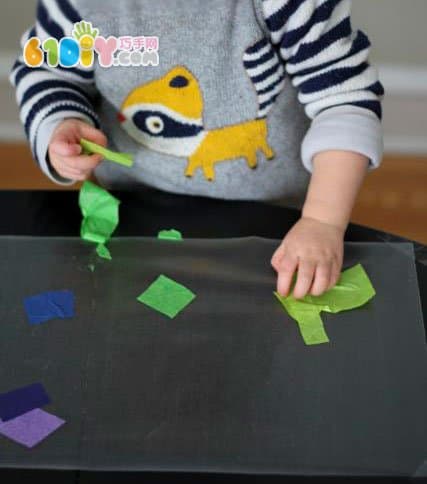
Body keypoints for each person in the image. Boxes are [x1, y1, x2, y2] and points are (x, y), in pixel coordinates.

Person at [10, 0, 384, 299]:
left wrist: (322, 221)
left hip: (274, 216)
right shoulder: (80, 6)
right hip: (132, 210)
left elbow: (345, 101)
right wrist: (59, 125)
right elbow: (47, 72)